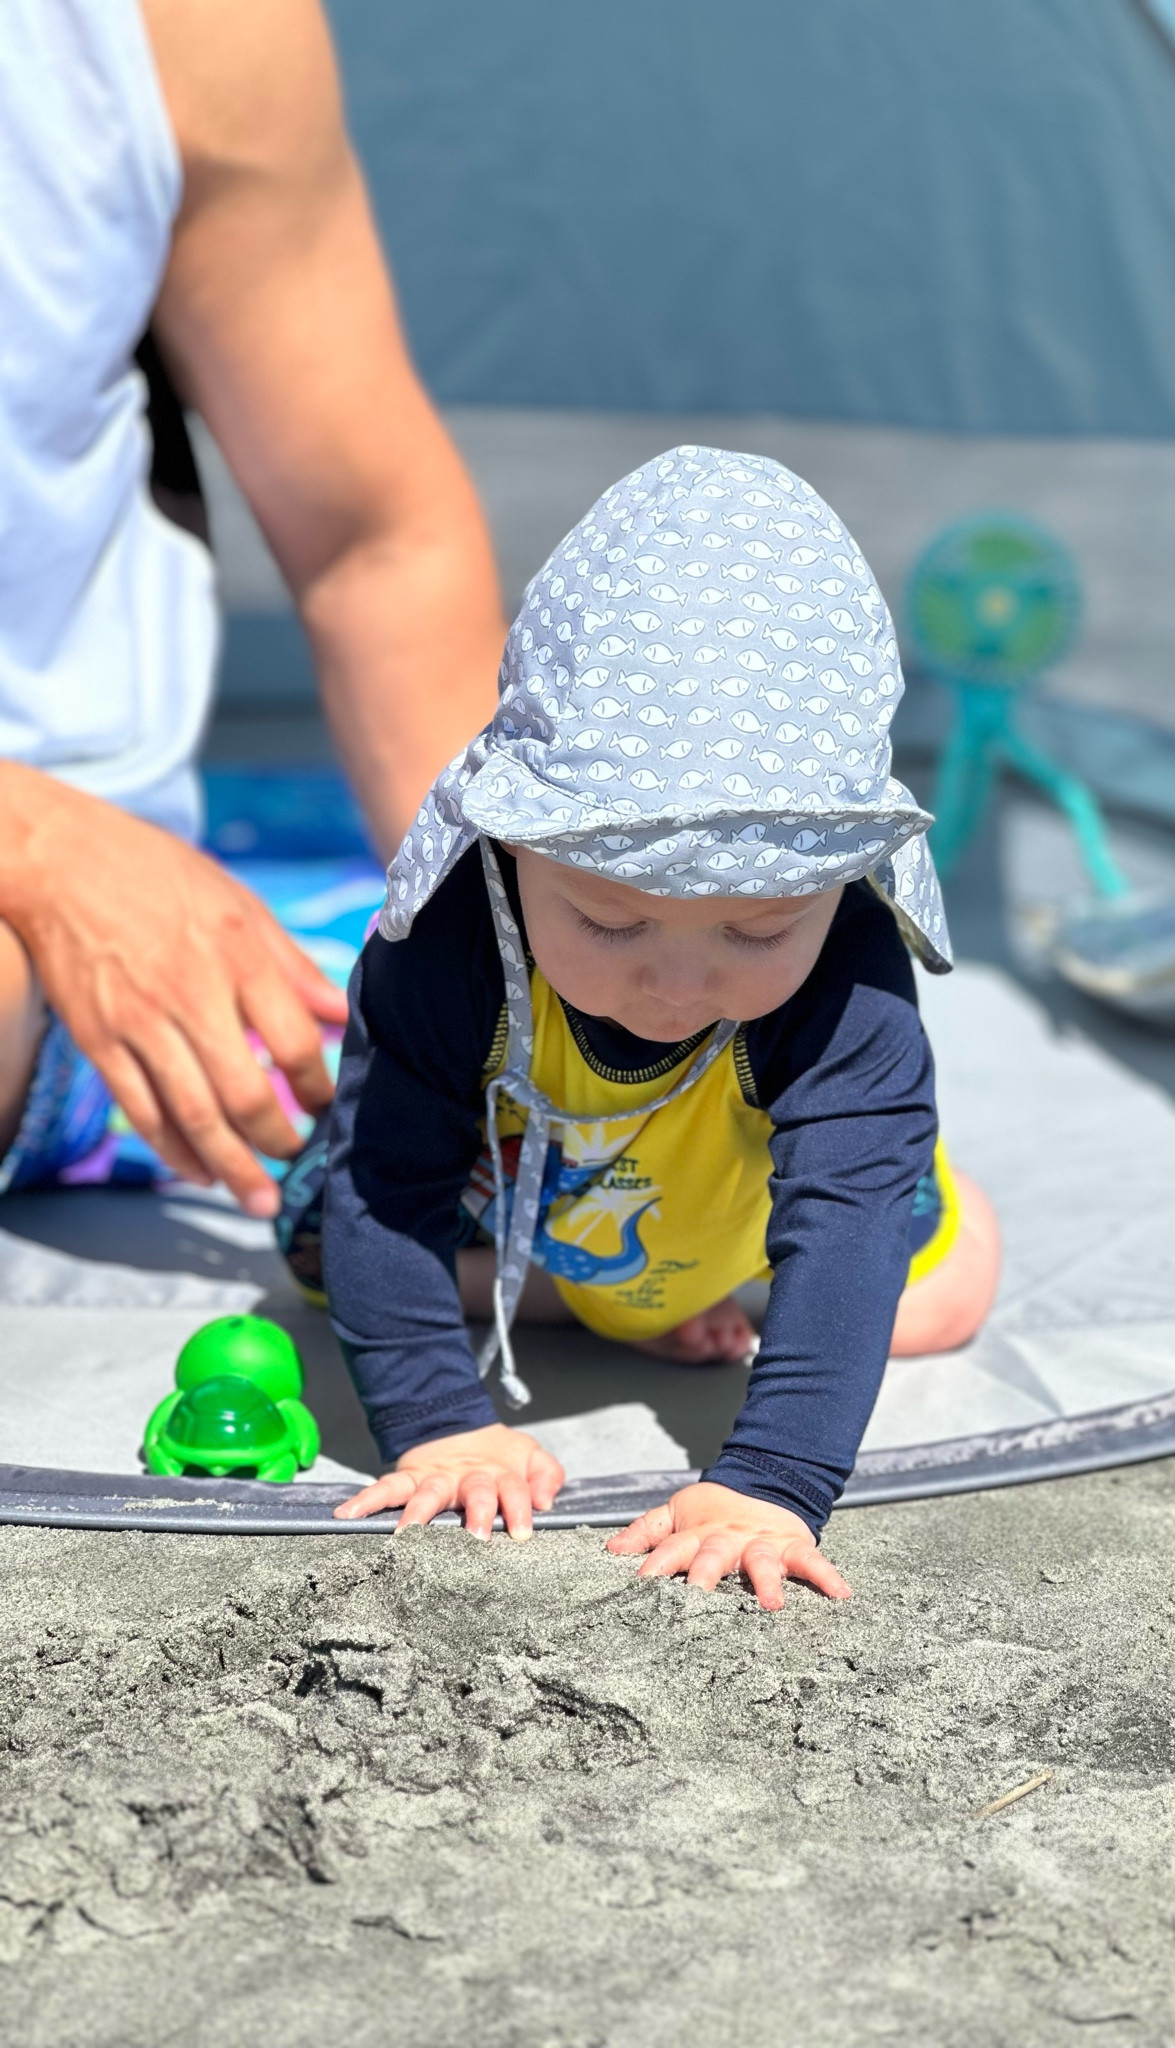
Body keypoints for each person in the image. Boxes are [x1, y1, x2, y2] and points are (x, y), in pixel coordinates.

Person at [312, 448, 1002, 1609]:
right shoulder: (450, 941)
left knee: (938, 1285)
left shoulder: (848, 973)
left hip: (732, 1201)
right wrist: (439, 1421)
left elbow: (845, 1222)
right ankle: (610, 1299)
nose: (676, 983)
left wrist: (771, 1480)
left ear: (842, 883)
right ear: (513, 843)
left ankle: (681, 1282)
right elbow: (384, 1183)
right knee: (325, 1248)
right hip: (537, 1186)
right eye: (610, 919)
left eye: (757, 928)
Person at [0, 0, 505, 1217]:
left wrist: (554, 966)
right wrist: (38, 843)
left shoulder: (190, 26)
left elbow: (371, 543)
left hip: (99, 953)